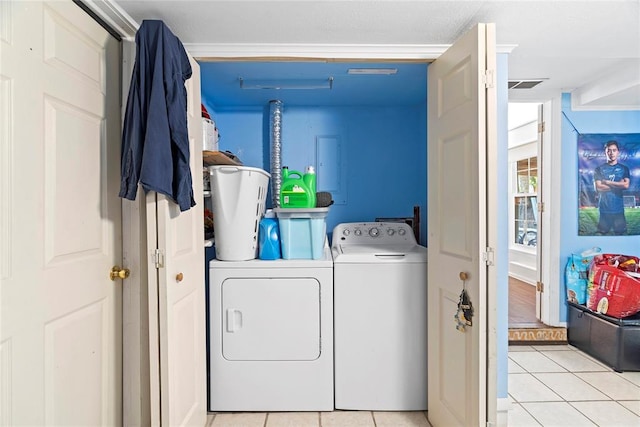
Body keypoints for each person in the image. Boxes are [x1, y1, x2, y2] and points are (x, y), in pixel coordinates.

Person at [593, 140, 630, 235]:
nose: (611, 153)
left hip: (618, 210)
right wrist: (619, 184)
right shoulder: (599, 169)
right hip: (604, 210)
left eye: (614, 150)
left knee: (621, 237)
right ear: (605, 152)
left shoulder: (624, 169)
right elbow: (599, 188)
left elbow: (626, 185)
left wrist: (607, 182)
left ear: (618, 152)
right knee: (601, 236)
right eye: (609, 150)